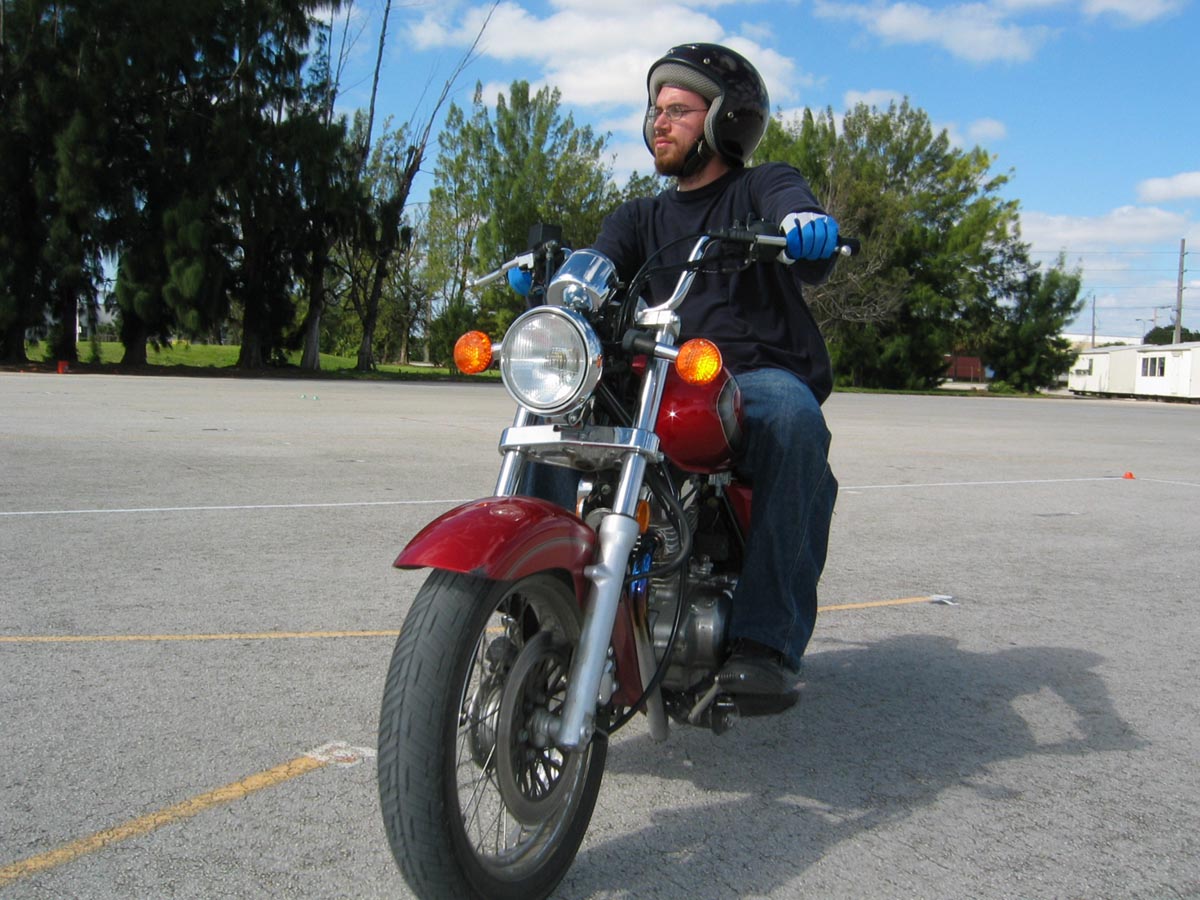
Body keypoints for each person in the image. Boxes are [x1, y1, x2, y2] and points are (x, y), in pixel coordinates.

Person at [588, 43, 841, 704]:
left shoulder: (759, 189)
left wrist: (803, 224)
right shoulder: (639, 217)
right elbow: (600, 263)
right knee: (558, 407)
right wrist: (564, 276)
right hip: (656, 380)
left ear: (726, 118)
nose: (659, 121)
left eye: (679, 110)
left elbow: (790, 200)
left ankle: (765, 641)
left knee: (793, 419)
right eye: (655, 110)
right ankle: (537, 599)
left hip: (749, 379)